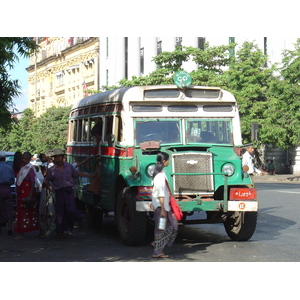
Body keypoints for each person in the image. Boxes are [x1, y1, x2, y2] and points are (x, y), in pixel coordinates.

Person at [45, 148, 84, 238]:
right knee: (61, 211)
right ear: (54, 158)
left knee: (71, 209)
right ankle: (61, 230)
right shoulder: (52, 170)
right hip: (59, 191)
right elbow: (48, 179)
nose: (58, 159)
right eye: (56, 157)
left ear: (63, 157)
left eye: (60, 157)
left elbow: (75, 174)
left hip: (68, 190)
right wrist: (48, 187)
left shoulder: (68, 166)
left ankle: (79, 218)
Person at [151, 152, 178, 258]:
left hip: (164, 207)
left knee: (169, 226)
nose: (169, 161)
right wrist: (162, 209)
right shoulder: (160, 177)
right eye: (168, 160)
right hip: (162, 208)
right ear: (164, 161)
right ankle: (157, 251)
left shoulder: (160, 174)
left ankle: (158, 244)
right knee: (163, 228)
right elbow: (161, 194)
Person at [14, 152, 39, 239]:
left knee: (25, 210)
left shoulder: (30, 168)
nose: (23, 159)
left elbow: (32, 182)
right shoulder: (23, 168)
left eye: (25, 158)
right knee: (21, 210)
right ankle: (21, 230)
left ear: (29, 159)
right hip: (21, 191)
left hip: (27, 191)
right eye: (22, 158)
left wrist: (29, 195)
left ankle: (23, 232)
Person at [0, 151, 15, 235]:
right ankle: (9, 227)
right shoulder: (9, 168)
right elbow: (12, 179)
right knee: (8, 207)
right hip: (7, 189)